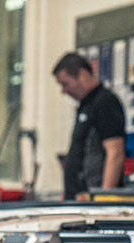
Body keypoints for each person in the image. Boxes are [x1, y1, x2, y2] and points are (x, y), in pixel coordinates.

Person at [52, 52, 126, 200]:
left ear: (83, 74)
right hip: (78, 197)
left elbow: (115, 152)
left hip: (93, 200)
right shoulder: (86, 105)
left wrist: (104, 199)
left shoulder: (105, 102)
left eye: (65, 84)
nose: (63, 91)